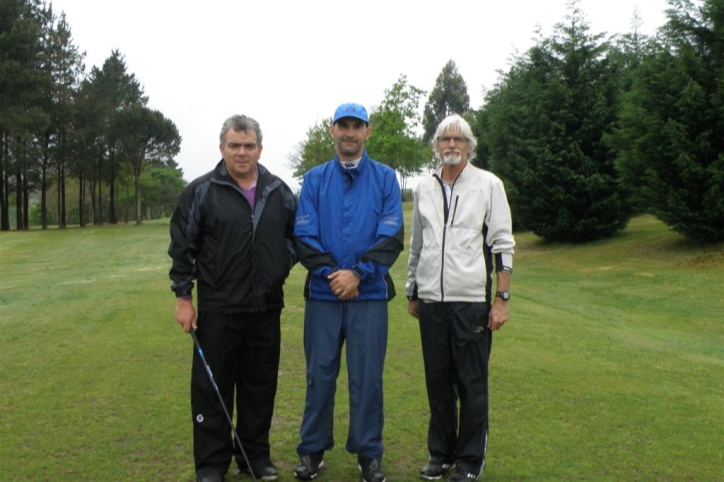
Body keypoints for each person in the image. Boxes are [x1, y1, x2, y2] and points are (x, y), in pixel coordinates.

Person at [168, 114, 297, 482]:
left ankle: (254, 456)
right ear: (222, 148)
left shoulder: (278, 191)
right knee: (212, 390)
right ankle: (211, 464)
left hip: (265, 309)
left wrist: (278, 266)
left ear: (260, 148)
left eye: (249, 145)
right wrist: (183, 297)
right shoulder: (201, 191)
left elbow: (293, 238)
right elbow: (182, 247)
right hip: (219, 310)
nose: (242, 152)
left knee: (260, 388)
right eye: (234, 145)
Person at [293, 103, 404, 482]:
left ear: (367, 132)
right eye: (344, 125)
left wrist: (358, 274)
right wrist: (333, 275)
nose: (350, 132)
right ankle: (312, 450)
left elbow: (391, 236)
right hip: (324, 296)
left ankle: (368, 453)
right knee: (319, 374)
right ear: (332, 130)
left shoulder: (386, 178)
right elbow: (303, 236)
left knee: (367, 376)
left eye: (358, 126)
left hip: (369, 296)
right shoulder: (314, 179)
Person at [406, 114, 515, 482]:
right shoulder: (424, 187)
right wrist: (412, 290)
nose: (451, 144)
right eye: (444, 139)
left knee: (471, 382)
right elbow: (418, 244)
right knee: (437, 382)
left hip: (470, 302)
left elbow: (502, 245)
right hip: (432, 301)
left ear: (470, 145)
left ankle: (469, 461)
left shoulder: (488, 185)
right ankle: (440, 454)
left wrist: (501, 299)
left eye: (459, 139)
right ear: (436, 145)